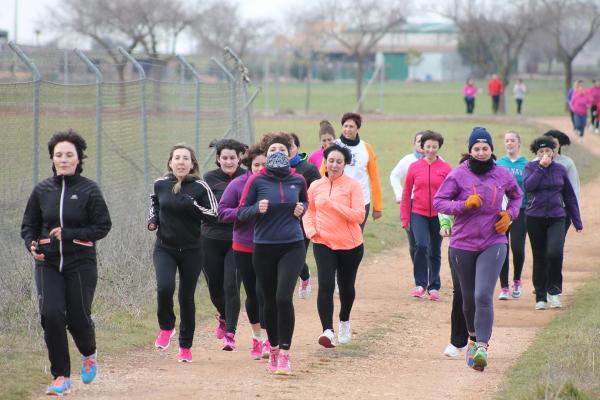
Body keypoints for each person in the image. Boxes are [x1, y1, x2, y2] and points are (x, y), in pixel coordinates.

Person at [21, 130, 112, 395]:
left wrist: (72, 234)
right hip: (47, 263)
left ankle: (88, 352)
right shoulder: (41, 190)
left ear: (78, 158)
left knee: (77, 317)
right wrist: (32, 244)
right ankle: (61, 375)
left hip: (80, 262)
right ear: (52, 158)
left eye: (68, 155)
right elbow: (29, 225)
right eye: (58, 155)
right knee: (50, 314)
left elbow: (103, 226)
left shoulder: (89, 189)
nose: (63, 159)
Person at [434, 127, 523, 372]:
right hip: (462, 243)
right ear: (470, 151)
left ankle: (482, 346)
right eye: (477, 148)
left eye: (485, 148)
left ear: (492, 150)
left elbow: (517, 196)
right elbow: (439, 201)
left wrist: (510, 215)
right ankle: (473, 338)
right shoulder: (458, 175)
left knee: (483, 294)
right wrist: (464, 204)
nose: (481, 152)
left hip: (493, 241)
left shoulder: (502, 174)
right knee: (468, 297)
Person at [237, 133, 308, 375]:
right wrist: (257, 208)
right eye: (271, 152)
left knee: (282, 298)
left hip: (292, 245)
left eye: (282, 151)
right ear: (265, 156)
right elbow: (242, 211)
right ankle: (274, 349)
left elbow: (305, 204)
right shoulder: (257, 181)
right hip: (264, 246)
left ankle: (286, 355)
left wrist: (302, 209)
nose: (276, 155)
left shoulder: (297, 180)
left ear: (290, 154)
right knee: (267, 300)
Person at [148, 143, 219, 363]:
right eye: (177, 158)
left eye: (185, 158)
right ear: (170, 162)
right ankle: (167, 327)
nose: (181, 162)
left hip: (192, 250)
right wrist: (152, 220)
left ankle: (185, 346)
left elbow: (214, 214)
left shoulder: (200, 186)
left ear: (192, 164)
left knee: (186, 298)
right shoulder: (161, 184)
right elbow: (155, 203)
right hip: (165, 248)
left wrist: (194, 205)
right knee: (165, 287)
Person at [303, 144, 365, 348]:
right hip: (323, 242)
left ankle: (344, 320)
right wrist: (311, 231)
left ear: (345, 164)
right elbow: (309, 211)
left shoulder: (352, 186)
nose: (334, 165)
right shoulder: (315, 186)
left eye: (339, 161)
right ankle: (327, 331)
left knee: (346, 287)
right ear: (325, 162)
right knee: (326, 285)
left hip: (350, 245)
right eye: (331, 160)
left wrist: (332, 205)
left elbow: (358, 215)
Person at [218, 144, 270, 359]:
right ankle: (257, 337)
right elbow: (222, 212)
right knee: (252, 294)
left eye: (264, 164)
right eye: (256, 165)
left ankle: (268, 340)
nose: (260, 168)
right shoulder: (238, 184)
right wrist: (247, 212)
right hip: (244, 245)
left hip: (270, 245)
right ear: (249, 165)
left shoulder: (276, 184)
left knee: (264, 293)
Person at [524, 137, 582, 310]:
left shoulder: (560, 169)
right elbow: (528, 186)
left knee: (555, 253)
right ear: (537, 153)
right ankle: (540, 296)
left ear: (554, 152)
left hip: (557, 216)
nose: (544, 154)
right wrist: (541, 167)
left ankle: (554, 292)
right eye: (541, 152)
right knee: (539, 256)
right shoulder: (530, 167)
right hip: (535, 217)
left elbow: (570, 196)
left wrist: (577, 220)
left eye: (547, 151)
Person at [201, 139, 247, 351]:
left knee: (231, 285)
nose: (229, 161)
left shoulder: (248, 177)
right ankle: (222, 315)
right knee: (214, 287)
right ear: (218, 159)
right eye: (225, 158)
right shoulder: (209, 179)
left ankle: (231, 331)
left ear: (240, 158)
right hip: (210, 239)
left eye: (233, 158)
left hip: (238, 238)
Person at [401, 131, 452, 300]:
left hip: (439, 214)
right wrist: (405, 218)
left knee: (435, 250)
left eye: (434, 147)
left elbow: (452, 192)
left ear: (439, 147)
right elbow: (407, 192)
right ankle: (420, 284)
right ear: (422, 147)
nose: (431, 150)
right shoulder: (414, 167)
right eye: (428, 146)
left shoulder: (446, 168)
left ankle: (434, 286)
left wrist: (450, 218)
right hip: (418, 212)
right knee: (421, 245)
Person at [322, 112, 382, 229]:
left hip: (360, 202)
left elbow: (374, 179)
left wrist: (377, 207)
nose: (347, 129)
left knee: (355, 238)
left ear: (357, 128)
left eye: (351, 126)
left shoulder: (366, 148)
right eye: (345, 126)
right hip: (336, 199)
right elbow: (322, 173)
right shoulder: (333, 146)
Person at [496, 131, 528, 300]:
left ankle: (517, 280)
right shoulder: (499, 163)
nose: (509, 143)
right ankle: (504, 287)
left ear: (519, 143)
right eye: (507, 140)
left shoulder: (527, 164)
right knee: (502, 248)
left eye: (512, 140)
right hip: (501, 211)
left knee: (517, 247)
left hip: (521, 211)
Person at [289, 132, 321, 299]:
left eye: (291, 146)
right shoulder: (273, 169)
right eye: (284, 147)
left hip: (304, 220)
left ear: (297, 148)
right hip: (281, 220)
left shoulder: (308, 169)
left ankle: (305, 275)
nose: (288, 150)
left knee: (297, 255)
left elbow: (319, 192)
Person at [389, 132, 424, 263]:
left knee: (429, 243)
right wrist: (400, 195)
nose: (422, 144)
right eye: (419, 141)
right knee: (414, 242)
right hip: (410, 204)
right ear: (414, 144)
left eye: (424, 141)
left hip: (430, 205)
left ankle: (431, 273)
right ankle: (418, 272)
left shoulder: (438, 160)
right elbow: (394, 175)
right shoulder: (407, 160)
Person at [439, 213, 469, 358]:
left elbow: (505, 202)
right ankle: (458, 341)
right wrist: (445, 223)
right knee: (460, 290)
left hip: (486, 244)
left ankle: (479, 341)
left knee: (479, 293)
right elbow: (443, 200)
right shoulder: (454, 188)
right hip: (458, 243)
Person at [542, 130, 581, 225]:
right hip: (540, 209)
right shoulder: (535, 162)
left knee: (557, 240)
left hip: (563, 209)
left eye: (555, 144)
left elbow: (574, 188)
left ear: (559, 145)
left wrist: (574, 211)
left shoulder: (567, 163)